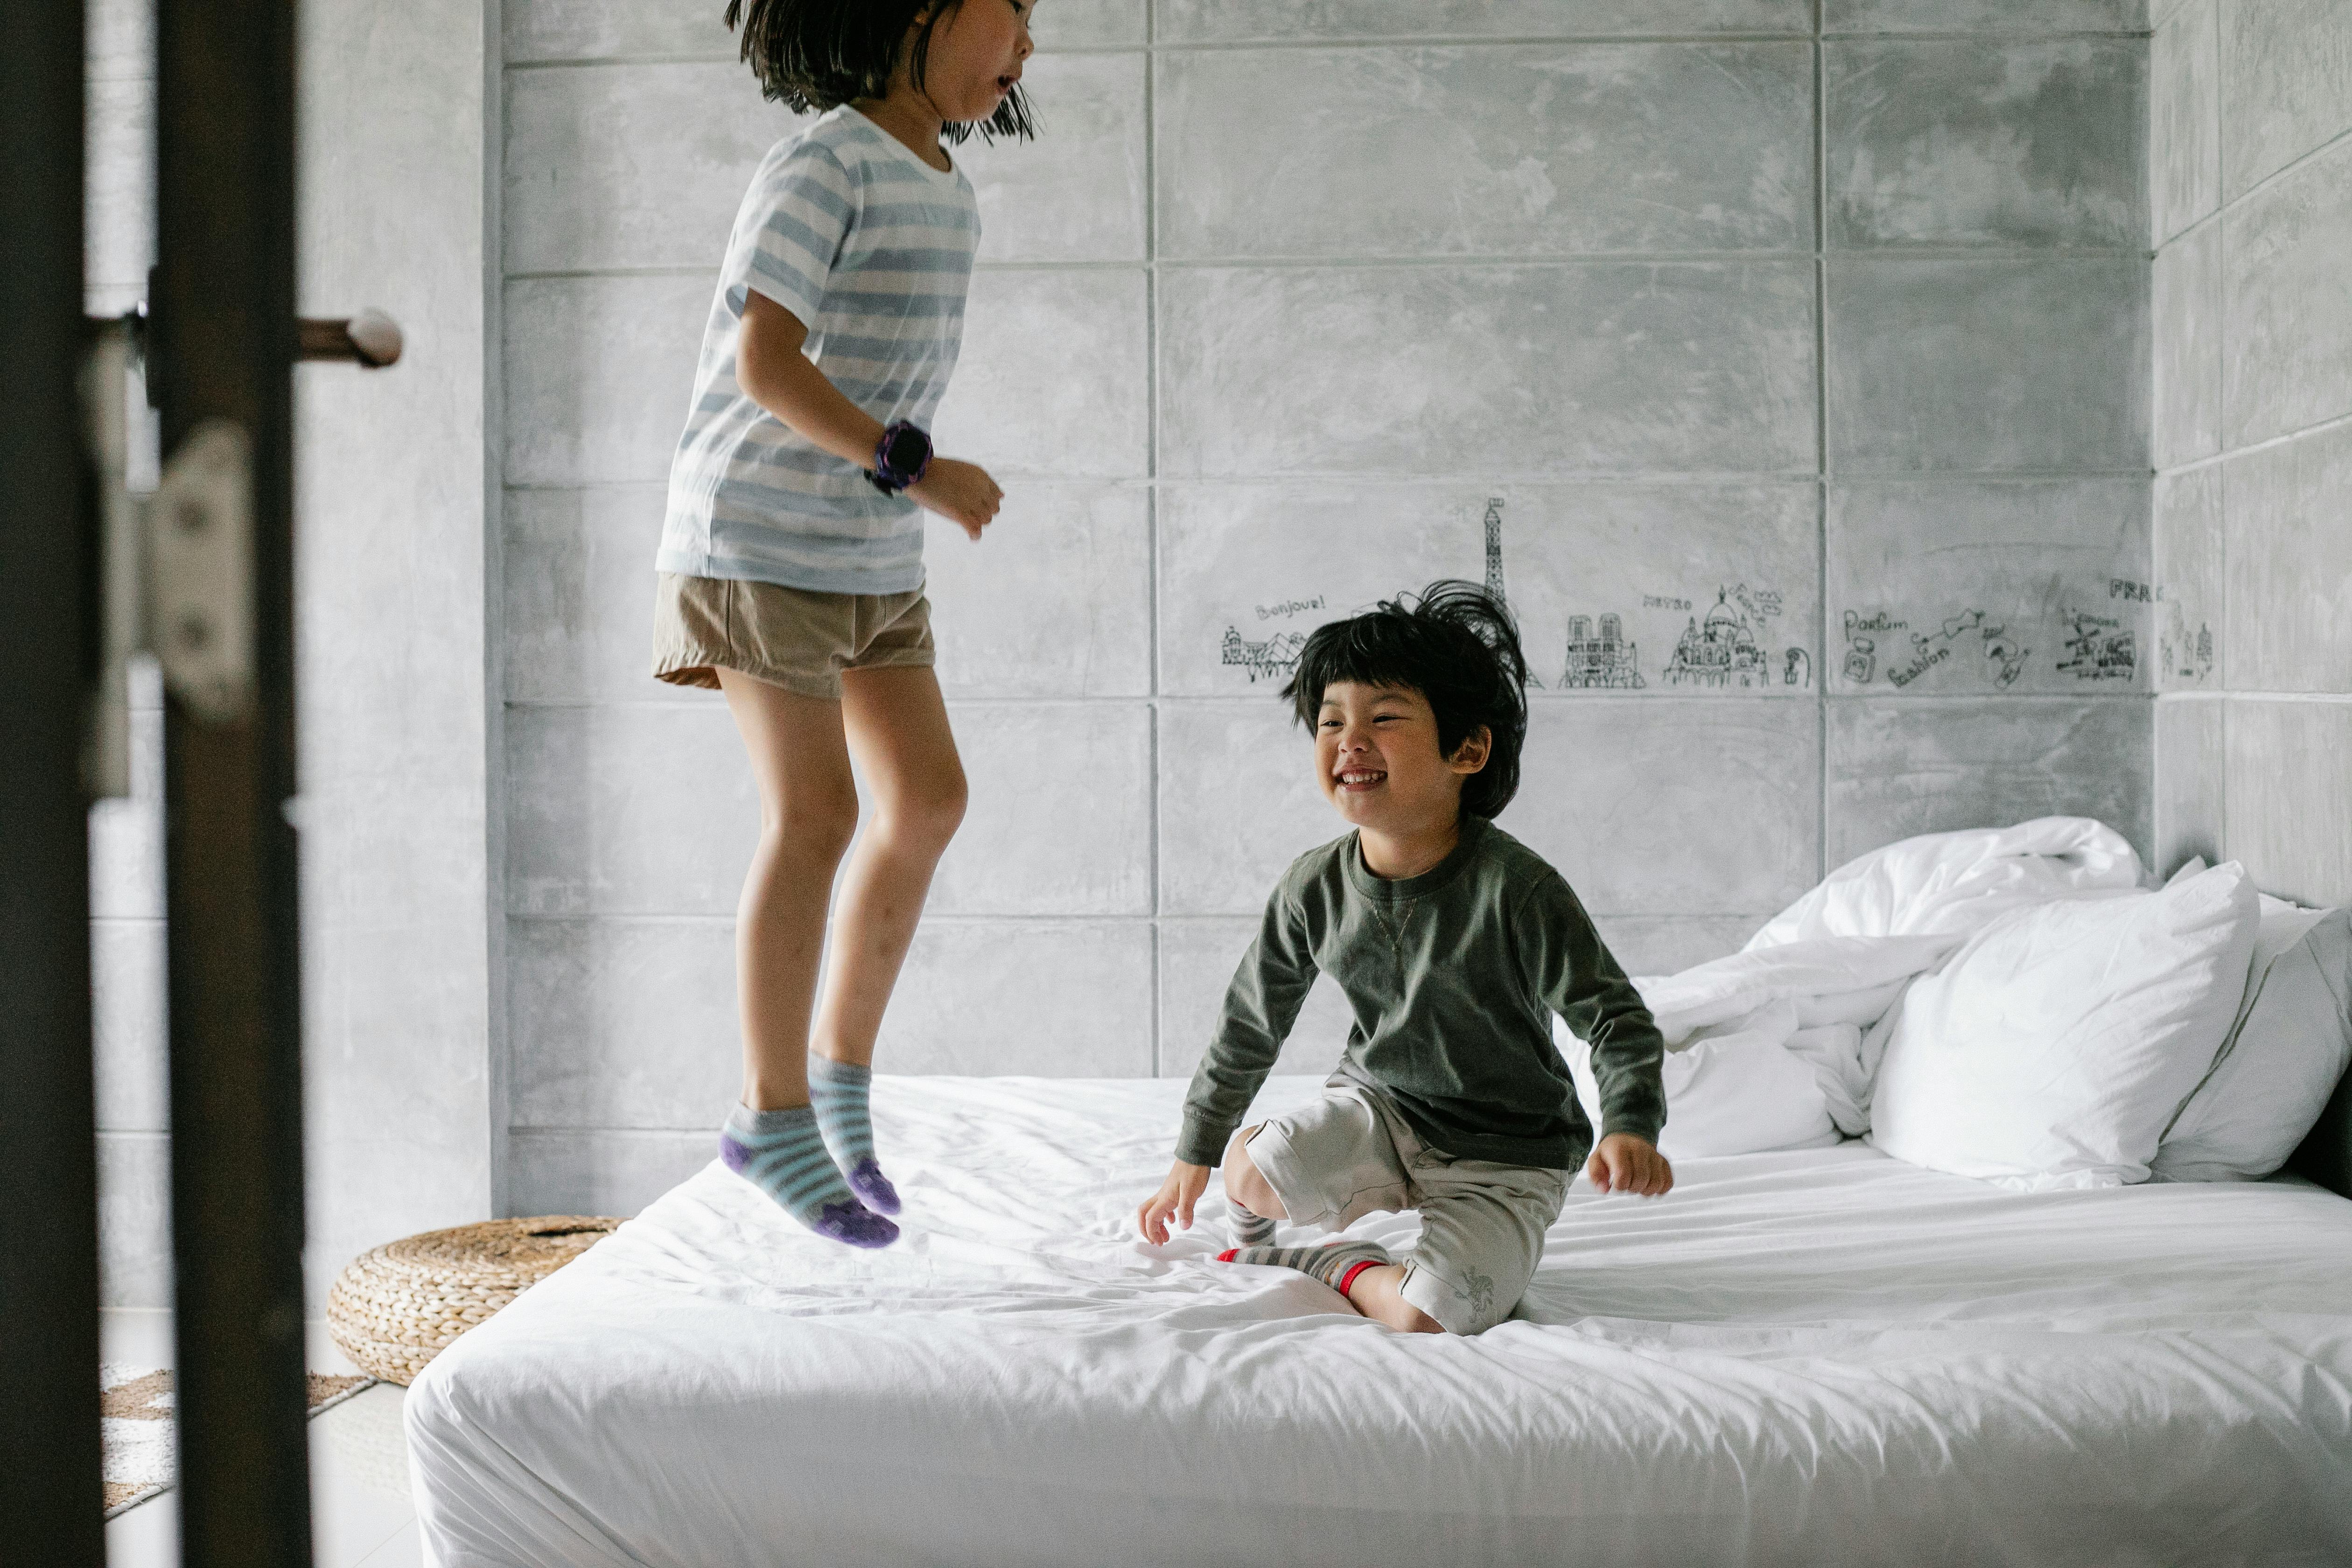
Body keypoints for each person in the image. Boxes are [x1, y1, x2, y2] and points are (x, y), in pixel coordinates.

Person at [649, 0, 1038, 1247]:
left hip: (866, 545)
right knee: (814, 815)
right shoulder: (820, 159)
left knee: (925, 801)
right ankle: (767, 1117)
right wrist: (915, 466)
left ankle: (838, 1081)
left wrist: (900, 490)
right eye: (1010, 12)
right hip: (759, 534)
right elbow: (766, 363)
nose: (1024, 44)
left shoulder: (945, 181)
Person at [1136, 582, 1673, 1333]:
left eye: (1384, 719)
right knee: (1249, 1171)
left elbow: (1617, 1020)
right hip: (1383, 1113)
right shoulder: (1312, 887)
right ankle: (1255, 1248)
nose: (1350, 741)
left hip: (1506, 1156)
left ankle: (1330, 1263)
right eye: (1331, 722)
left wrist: (1630, 1124)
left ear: (1468, 749)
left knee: (1430, 1316)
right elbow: (1249, 1028)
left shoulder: (1517, 890)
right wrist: (1191, 1155)